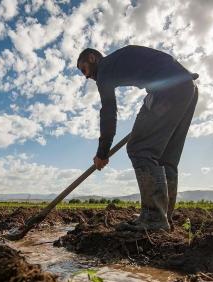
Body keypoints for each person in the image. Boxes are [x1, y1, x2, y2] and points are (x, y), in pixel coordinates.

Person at [77, 45, 198, 231]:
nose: (86, 76)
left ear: (92, 58)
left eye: (83, 69)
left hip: (167, 91)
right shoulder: (116, 62)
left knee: (139, 149)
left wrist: (102, 152)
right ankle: (163, 216)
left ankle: (153, 218)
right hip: (188, 88)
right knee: (166, 159)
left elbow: (108, 113)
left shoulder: (104, 70)